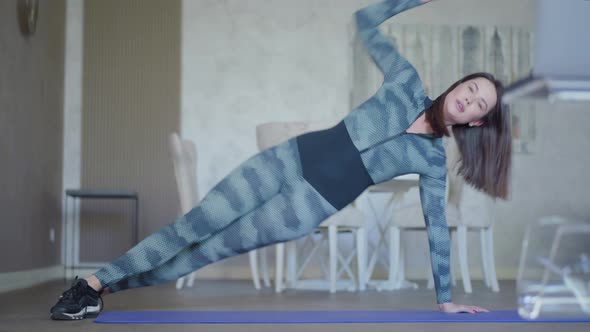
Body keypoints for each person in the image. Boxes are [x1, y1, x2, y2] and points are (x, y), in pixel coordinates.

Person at [50, 0, 511, 320]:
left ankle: (101, 288)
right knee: (192, 226)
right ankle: (91, 283)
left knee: (195, 258)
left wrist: (445, 300)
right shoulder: (405, 82)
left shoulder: (431, 159)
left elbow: (436, 230)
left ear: (475, 123)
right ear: (459, 83)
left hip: (306, 207)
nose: (469, 101)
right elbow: (365, 22)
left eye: (479, 106)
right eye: (470, 89)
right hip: (287, 159)